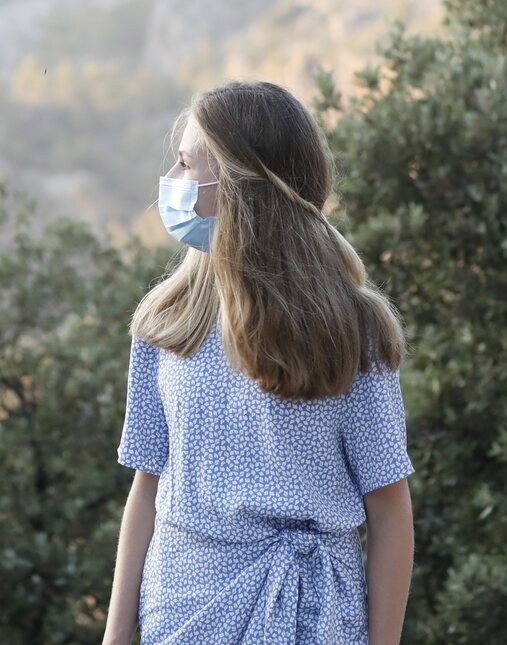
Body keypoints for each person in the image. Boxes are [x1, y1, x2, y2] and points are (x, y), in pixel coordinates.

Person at [102, 80, 415, 644]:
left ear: (242, 187)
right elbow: (146, 490)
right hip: (181, 612)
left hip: (312, 617)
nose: (170, 184)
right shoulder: (166, 320)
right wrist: (115, 636)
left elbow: (389, 508)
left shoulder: (352, 327)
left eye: (186, 165)